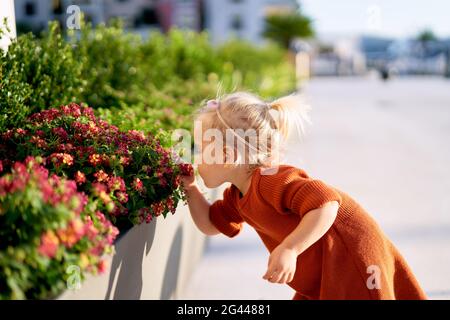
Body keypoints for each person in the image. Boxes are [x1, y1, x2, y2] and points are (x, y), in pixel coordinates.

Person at [180, 91, 427, 300]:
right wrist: (191, 188)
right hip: (320, 271)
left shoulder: (271, 180)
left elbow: (327, 203)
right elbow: (212, 223)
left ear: (226, 155)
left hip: (351, 259)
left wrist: (290, 248)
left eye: (202, 149)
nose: (197, 157)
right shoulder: (237, 195)